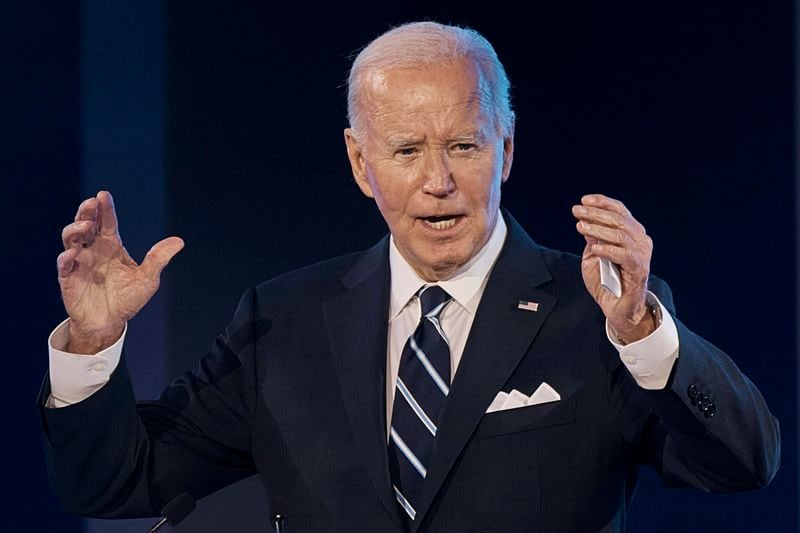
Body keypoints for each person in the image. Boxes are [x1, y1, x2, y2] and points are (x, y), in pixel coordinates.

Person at [39, 21, 779, 532]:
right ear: (361, 163)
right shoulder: (283, 320)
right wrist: (92, 343)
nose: (439, 182)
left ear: (507, 150)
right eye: (404, 151)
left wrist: (647, 334)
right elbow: (115, 482)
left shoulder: (600, 314)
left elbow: (744, 462)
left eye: (464, 144)